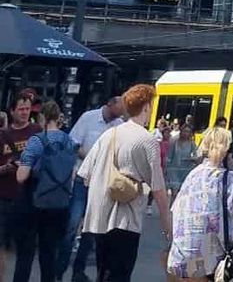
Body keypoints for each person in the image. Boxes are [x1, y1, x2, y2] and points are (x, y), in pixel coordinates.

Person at [78, 83, 170, 282]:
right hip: (126, 220)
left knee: (104, 273)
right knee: (120, 274)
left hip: (100, 217)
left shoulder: (109, 134)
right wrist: (168, 226)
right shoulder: (147, 140)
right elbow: (159, 189)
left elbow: (85, 173)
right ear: (146, 106)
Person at [167, 126, 233, 281]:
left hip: (184, 254)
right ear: (228, 150)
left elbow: (177, 209)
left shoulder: (192, 175)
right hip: (214, 260)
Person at [59, 94, 124, 282]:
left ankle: (78, 271)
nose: (118, 116)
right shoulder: (89, 118)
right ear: (109, 104)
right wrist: (89, 157)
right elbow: (72, 142)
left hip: (101, 183)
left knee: (91, 228)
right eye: (117, 111)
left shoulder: (119, 126)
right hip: (82, 178)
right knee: (72, 223)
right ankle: (60, 266)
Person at [13, 100, 76, 282]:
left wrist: (23, 166)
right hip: (59, 204)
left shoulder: (36, 141)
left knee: (25, 254)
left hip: (34, 203)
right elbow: (71, 174)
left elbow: (21, 176)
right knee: (49, 255)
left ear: (42, 117)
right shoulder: (69, 141)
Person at [0, 89, 42, 282]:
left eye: (27, 109)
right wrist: (6, 168)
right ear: (12, 111)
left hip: (29, 199)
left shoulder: (36, 131)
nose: (25, 112)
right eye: (21, 109)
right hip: (4, 199)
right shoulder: (3, 135)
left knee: (26, 249)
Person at [166, 126, 200, 201]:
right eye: (184, 131)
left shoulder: (192, 143)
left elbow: (195, 155)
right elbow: (169, 156)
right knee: (174, 193)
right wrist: (166, 169)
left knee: (180, 194)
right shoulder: (174, 142)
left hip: (185, 170)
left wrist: (192, 158)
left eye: (188, 131)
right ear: (181, 132)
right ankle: (170, 211)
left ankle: (174, 210)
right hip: (174, 170)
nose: (186, 133)